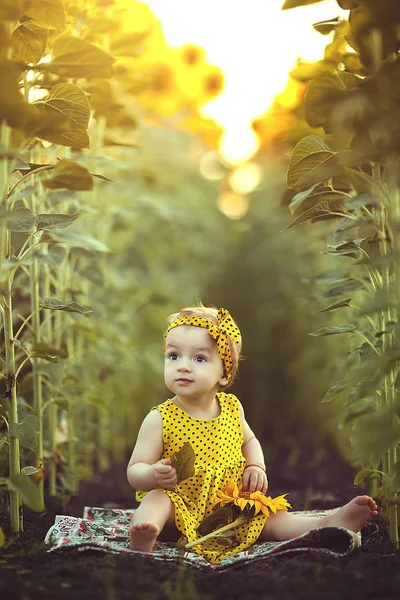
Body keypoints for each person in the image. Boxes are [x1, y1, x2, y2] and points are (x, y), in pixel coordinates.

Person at [127, 305, 378, 563]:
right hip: (179, 507)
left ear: (224, 374)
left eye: (199, 359)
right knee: (158, 499)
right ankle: (146, 530)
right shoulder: (160, 418)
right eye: (173, 356)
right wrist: (152, 474)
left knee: (269, 519)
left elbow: (250, 440)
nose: (183, 367)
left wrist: (256, 466)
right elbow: (135, 470)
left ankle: (329, 523)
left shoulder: (232, 408)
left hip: (228, 505)